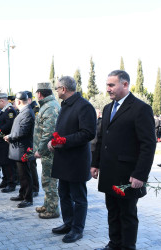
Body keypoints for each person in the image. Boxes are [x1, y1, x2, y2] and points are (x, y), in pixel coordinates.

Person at [91, 70, 156, 250]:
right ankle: (114, 243)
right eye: (107, 85)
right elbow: (102, 138)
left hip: (128, 175)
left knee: (127, 214)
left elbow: (148, 145)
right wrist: (95, 163)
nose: (108, 89)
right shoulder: (107, 108)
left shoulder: (140, 108)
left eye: (111, 85)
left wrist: (140, 175)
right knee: (112, 211)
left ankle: (127, 247)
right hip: (109, 171)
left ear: (125, 84)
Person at [48, 76, 96, 243]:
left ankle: (77, 229)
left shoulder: (84, 106)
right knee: (64, 194)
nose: (56, 91)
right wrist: (53, 141)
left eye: (57, 88)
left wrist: (63, 141)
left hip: (76, 161)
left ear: (63, 89)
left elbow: (88, 133)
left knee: (78, 197)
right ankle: (68, 223)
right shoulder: (66, 105)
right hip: (64, 158)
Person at [33, 82, 61, 219]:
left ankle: (53, 209)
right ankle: (47, 204)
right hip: (48, 152)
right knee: (46, 179)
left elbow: (48, 133)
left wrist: (40, 150)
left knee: (49, 181)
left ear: (39, 93)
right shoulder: (48, 105)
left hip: (49, 152)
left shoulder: (50, 107)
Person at [4, 92, 35, 208]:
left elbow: (23, 131)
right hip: (19, 148)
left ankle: (28, 198)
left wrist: (10, 137)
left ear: (18, 102)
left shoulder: (27, 112)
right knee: (21, 175)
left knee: (25, 175)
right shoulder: (24, 111)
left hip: (23, 149)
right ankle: (22, 194)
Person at [0, 93, 17, 192]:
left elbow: (10, 125)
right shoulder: (4, 111)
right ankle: (5, 180)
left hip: (6, 141)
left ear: (2, 101)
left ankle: (11, 183)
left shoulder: (10, 110)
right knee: (3, 162)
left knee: (8, 163)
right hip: (1, 141)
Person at [25, 91, 40, 197]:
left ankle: (35, 187)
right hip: (28, 141)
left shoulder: (35, 110)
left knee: (32, 165)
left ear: (29, 100)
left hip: (32, 142)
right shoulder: (29, 109)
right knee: (28, 165)